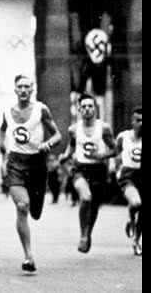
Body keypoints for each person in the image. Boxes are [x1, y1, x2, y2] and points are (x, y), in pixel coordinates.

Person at [0, 74, 62, 271]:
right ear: (15, 90)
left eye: (27, 87)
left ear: (32, 89)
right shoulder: (8, 111)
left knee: (35, 212)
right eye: (20, 87)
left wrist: (47, 143)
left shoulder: (41, 109)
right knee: (22, 206)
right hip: (16, 162)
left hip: (37, 164)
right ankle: (28, 256)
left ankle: (34, 212)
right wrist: (3, 155)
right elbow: (1, 131)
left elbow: (58, 134)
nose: (23, 90)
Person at [58, 93, 116, 254]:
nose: (87, 109)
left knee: (94, 206)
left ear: (95, 108)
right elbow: (71, 147)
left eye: (90, 106)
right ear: (79, 109)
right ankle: (83, 235)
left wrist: (102, 155)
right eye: (84, 107)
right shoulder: (73, 129)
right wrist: (65, 155)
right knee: (85, 197)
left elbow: (115, 149)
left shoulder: (103, 128)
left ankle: (88, 233)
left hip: (98, 169)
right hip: (80, 168)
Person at [114, 106, 141, 256]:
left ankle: (136, 240)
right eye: (138, 120)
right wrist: (118, 171)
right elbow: (115, 152)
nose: (141, 123)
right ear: (132, 121)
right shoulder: (123, 137)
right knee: (136, 203)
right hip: (128, 176)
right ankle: (131, 219)